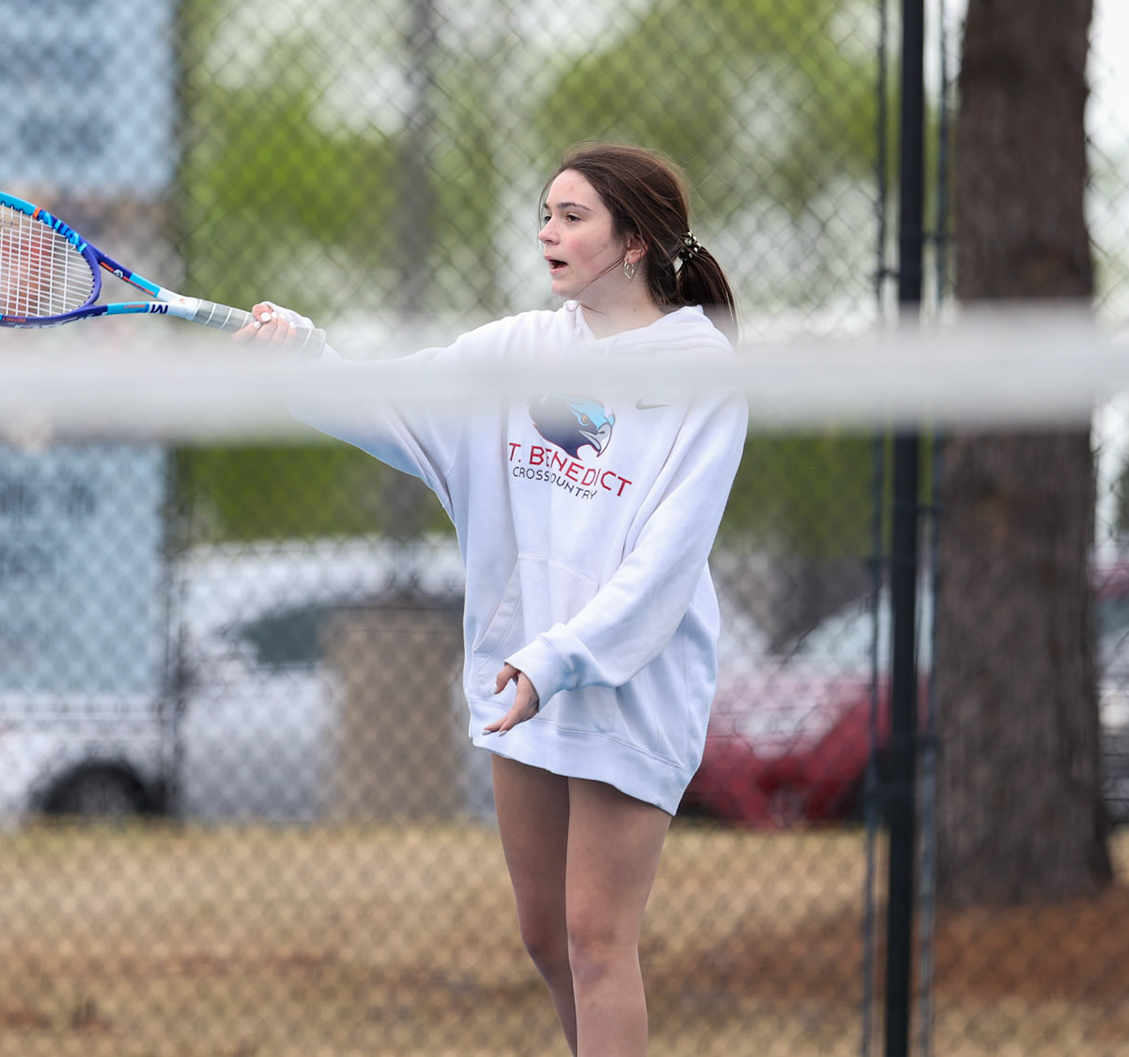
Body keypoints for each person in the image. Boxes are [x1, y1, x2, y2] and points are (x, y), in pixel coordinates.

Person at [236, 141, 747, 1057]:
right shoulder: (517, 350)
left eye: (572, 216)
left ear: (634, 242)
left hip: (629, 682)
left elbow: (665, 564)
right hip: (521, 677)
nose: (547, 234)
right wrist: (303, 356)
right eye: (544, 215)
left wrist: (560, 660)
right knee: (546, 938)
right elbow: (390, 405)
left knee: (597, 938)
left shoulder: (700, 372)